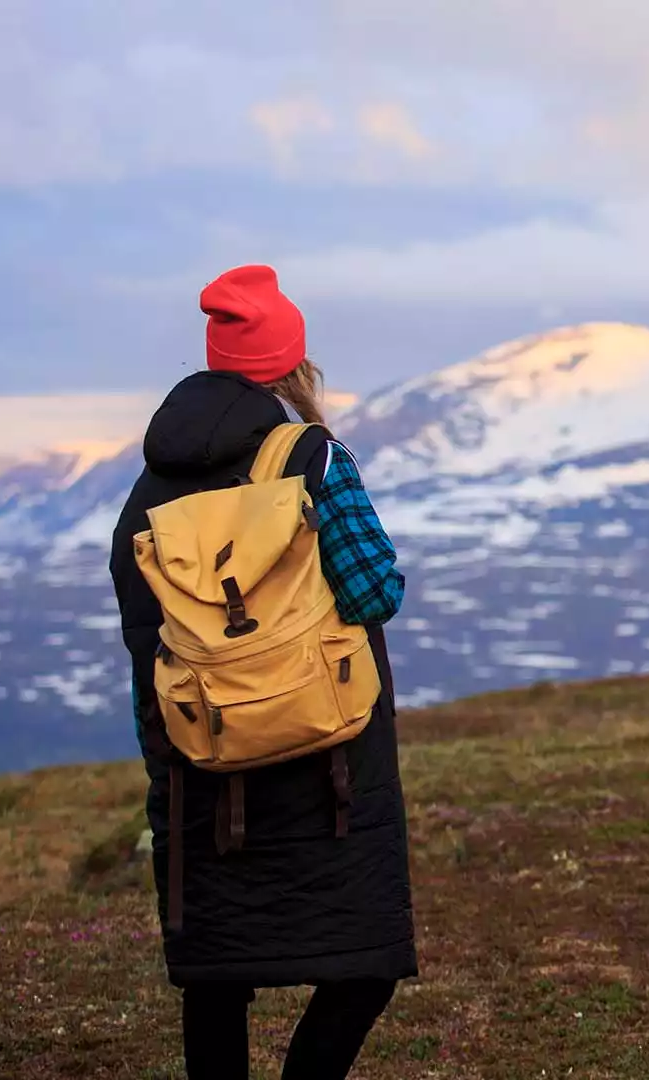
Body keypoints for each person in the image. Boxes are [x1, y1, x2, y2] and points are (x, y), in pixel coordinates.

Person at [108, 264, 417, 1080]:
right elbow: (374, 591)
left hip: (201, 760)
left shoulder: (149, 490)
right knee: (364, 958)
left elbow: (147, 641)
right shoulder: (310, 459)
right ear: (292, 364)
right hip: (327, 763)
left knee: (218, 977)